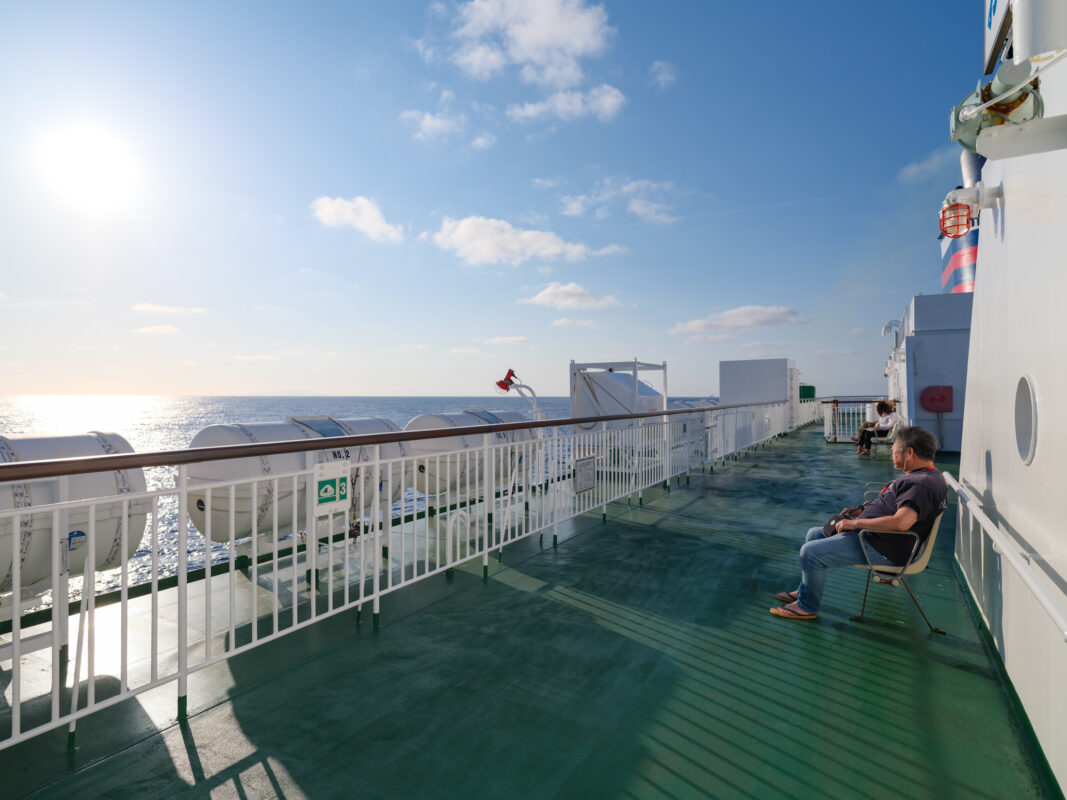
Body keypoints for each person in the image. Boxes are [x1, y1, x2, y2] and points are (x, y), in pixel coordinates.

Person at [770, 426, 947, 621]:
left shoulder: (921, 484)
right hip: (878, 538)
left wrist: (855, 524)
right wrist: (861, 511)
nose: (892, 454)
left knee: (810, 553)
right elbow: (894, 505)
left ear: (909, 453)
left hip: (883, 546)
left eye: (894, 450)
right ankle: (805, 590)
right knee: (814, 534)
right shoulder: (925, 475)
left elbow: (901, 522)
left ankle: (806, 606)